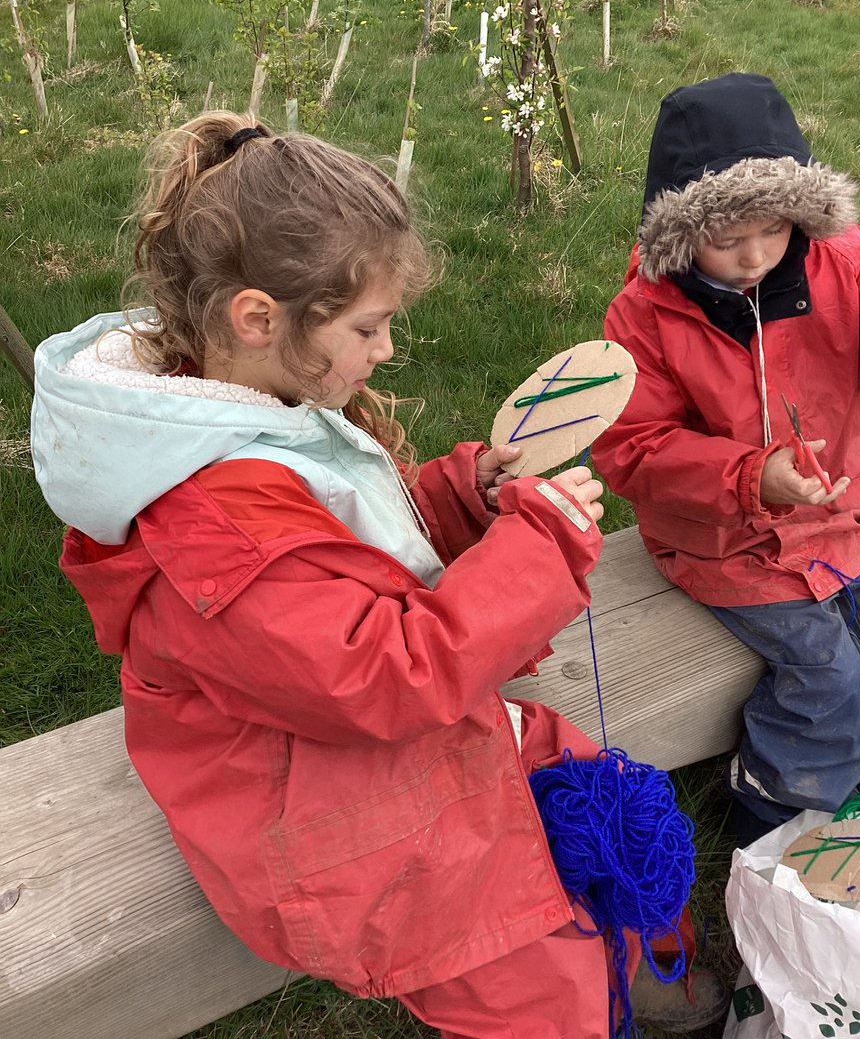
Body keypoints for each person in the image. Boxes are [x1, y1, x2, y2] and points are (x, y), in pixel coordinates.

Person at [31, 113, 727, 1036]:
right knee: (530, 974)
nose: (388, 351)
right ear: (258, 317)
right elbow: (385, 673)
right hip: (330, 824)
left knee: (596, 791)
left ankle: (634, 953)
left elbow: (339, 547)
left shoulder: (240, 407)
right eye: (371, 326)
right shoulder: (211, 532)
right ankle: (583, 998)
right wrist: (540, 547)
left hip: (343, 734)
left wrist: (461, 496)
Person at [592, 73, 860, 844]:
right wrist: (749, 476)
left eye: (775, 230)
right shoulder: (643, 318)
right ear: (680, 231)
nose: (757, 256)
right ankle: (775, 812)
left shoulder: (837, 261)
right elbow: (631, 449)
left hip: (850, 517)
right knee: (823, 673)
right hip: (732, 544)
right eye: (728, 241)